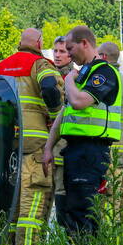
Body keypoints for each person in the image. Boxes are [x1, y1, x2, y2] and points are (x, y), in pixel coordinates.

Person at [42, 25, 122, 238]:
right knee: (73, 210)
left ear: (84, 43)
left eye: (70, 48)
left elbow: (78, 102)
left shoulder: (103, 72)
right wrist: (48, 148)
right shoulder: (85, 74)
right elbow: (64, 114)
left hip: (91, 150)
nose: (68, 54)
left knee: (83, 212)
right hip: (75, 150)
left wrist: (69, 80)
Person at [0, 28, 64, 245]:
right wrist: (55, 117)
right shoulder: (40, 65)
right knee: (32, 200)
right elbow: (50, 88)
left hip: (6, 143)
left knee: (11, 200)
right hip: (35, 142)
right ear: (39, 43)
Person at [97, 41, 123, 222]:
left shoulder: (108, 81)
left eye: (98, 55)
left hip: (111, 152)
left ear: (104, 57)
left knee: (110, 201)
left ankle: (110, 237)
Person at [50, 35, 74, 226]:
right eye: (55, 51)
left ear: (71, 54)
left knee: (62, 191)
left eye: (62, 51)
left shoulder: (74, 78)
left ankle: (66, 233)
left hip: (64, 148)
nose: (57, 55)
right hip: (48, 148)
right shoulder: (48, 75)